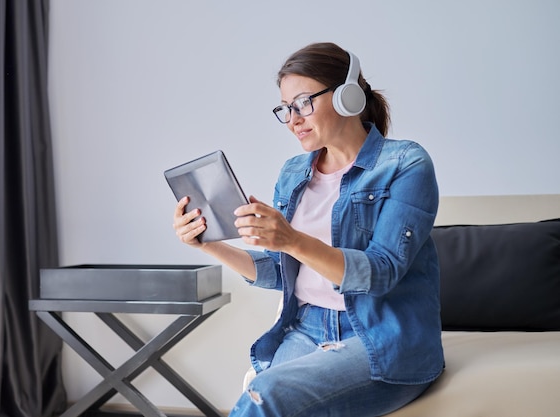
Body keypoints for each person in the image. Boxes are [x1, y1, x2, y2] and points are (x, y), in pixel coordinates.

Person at [172, 42, 444, 417]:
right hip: (306, 328)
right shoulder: (293, 173)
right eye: (285, 108)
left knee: (266, 394)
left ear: (348, 96)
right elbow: (280, 271)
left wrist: (292, 239)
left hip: (377, 335)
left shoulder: (406, 164)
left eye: (303, 103)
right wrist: (208, 244)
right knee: (260, 391)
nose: (292, 119)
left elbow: (381, 273)